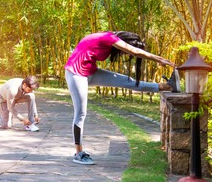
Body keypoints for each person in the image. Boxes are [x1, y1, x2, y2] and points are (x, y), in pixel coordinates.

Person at [64, 31, 179, 165]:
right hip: (76, 74)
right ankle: (78, 153)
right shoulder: (109, 37)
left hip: (90, 71)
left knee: (128, 81)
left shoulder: (108, 40)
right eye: (127, 51)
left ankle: (167, 87)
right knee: (81, 113)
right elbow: (134, 51)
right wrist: (159, 59)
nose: (127, 54)